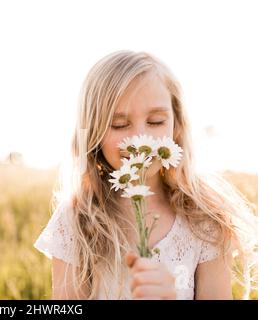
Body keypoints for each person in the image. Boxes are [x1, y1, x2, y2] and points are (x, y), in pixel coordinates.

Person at [33, 50, 258, 300]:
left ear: (177, 126)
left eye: (156, 121)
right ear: (93, 132)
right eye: (119, 124)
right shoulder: (77, 220)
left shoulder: (206, 221)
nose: (140, 141)